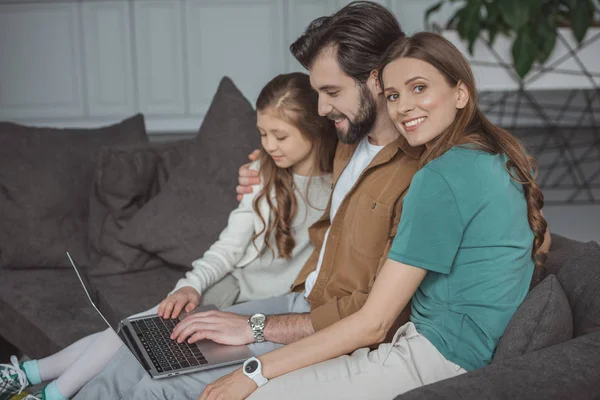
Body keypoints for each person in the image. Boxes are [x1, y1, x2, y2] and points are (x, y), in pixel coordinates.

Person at [68, 2, 424, 399]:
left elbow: (372, 316)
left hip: (324, 324)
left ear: (377, 80)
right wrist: (263, 175)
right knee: (142, 349)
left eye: (332, 92)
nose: (322, 108)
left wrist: (256, 326)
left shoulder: (419, 176)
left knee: (159, 386)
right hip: (300, 297)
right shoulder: (346, 139)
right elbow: (293, 149)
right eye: (319, 93)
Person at [199, 31, 549, 400]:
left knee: (248, 395)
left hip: (432, 356)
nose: (403, 107)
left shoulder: (439, 178)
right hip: (446, 348)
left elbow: (372, 323)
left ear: (461, 93)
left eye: (419, 88)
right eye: (394, 95)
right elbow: (537, 241)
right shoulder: (500, 156)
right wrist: (266, 168)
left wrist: (254, 374)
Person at [0, 72, 336, 400]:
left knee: (142, 342)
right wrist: (191, 284)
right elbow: (228, 248)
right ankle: (35, 384)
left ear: (315, 128)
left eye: (280, 135)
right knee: (137, 329)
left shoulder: (340, 187)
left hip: (271, 305)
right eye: (262, 134)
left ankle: (35, 382)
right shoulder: (260, 175)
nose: (268, 145)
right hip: (231, 285)